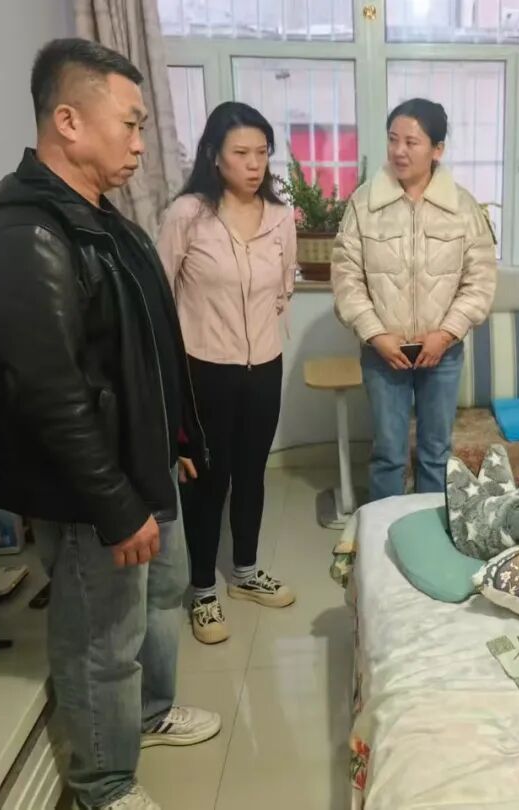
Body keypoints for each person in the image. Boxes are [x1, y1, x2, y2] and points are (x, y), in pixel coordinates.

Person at [0, 39, 220, 810]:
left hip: (142, 462)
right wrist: (113, 503)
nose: (141, 143)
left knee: (160, 598)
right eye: (131, 123)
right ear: (68, 121)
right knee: (100, 640)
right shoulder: (24, 235)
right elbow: (51, 393)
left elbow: (143, 345)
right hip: (93, 490)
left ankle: (150, 713)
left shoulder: (100, 219)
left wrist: (175, 440)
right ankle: (102, 784)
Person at [157, 102, 297, 646]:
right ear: (214, 155)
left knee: (252, 471)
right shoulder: (187, 214)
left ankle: (245, 571)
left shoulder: (280, 217)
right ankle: (202, 590)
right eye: (241, 153)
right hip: (203, 370)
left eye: (262, 152)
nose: (254, 164)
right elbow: (160, 295)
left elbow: (283, 288)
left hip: (264, 366)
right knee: (207, 481)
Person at [331, 98, 498, 501]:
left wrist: (447, 333)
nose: (399, 151)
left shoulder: (462, 207)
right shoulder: (364, 203)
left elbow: (480, 280)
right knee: (388, 453)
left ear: (437, 149)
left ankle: (429, 527)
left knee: (435, 453)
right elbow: (346, 278)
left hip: (442, 352)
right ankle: (382, 533)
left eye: (411, 142)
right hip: (383, 352)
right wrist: (375, 334)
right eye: (393, 140)